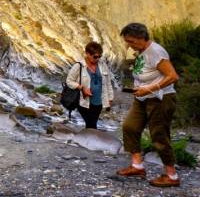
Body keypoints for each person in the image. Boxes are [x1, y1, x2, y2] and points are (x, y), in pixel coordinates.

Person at [116, 22, 180, 187]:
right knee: (130, 126)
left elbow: (172, 76)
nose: (128, 45)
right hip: (142, 98)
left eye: (130, 41)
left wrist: (151, 88)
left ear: (141, 38)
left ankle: (171, 175)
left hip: (160, 98)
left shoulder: (156, 52)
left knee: (159, 135)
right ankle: (137, 166)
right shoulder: (141, 51)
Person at [65, 41, 113, 129]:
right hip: (83, 102)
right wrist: (81, 87)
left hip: (99, 102)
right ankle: (89, 140)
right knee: (91, 124)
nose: (97, 58)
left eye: (99, 56)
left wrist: (110, 98)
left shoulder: (102, 65)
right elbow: (69, 81)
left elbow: (108, 82)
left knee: (91, 124)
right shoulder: (78, 66)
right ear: (87, 54)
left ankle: (86, 140)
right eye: (95, 56)